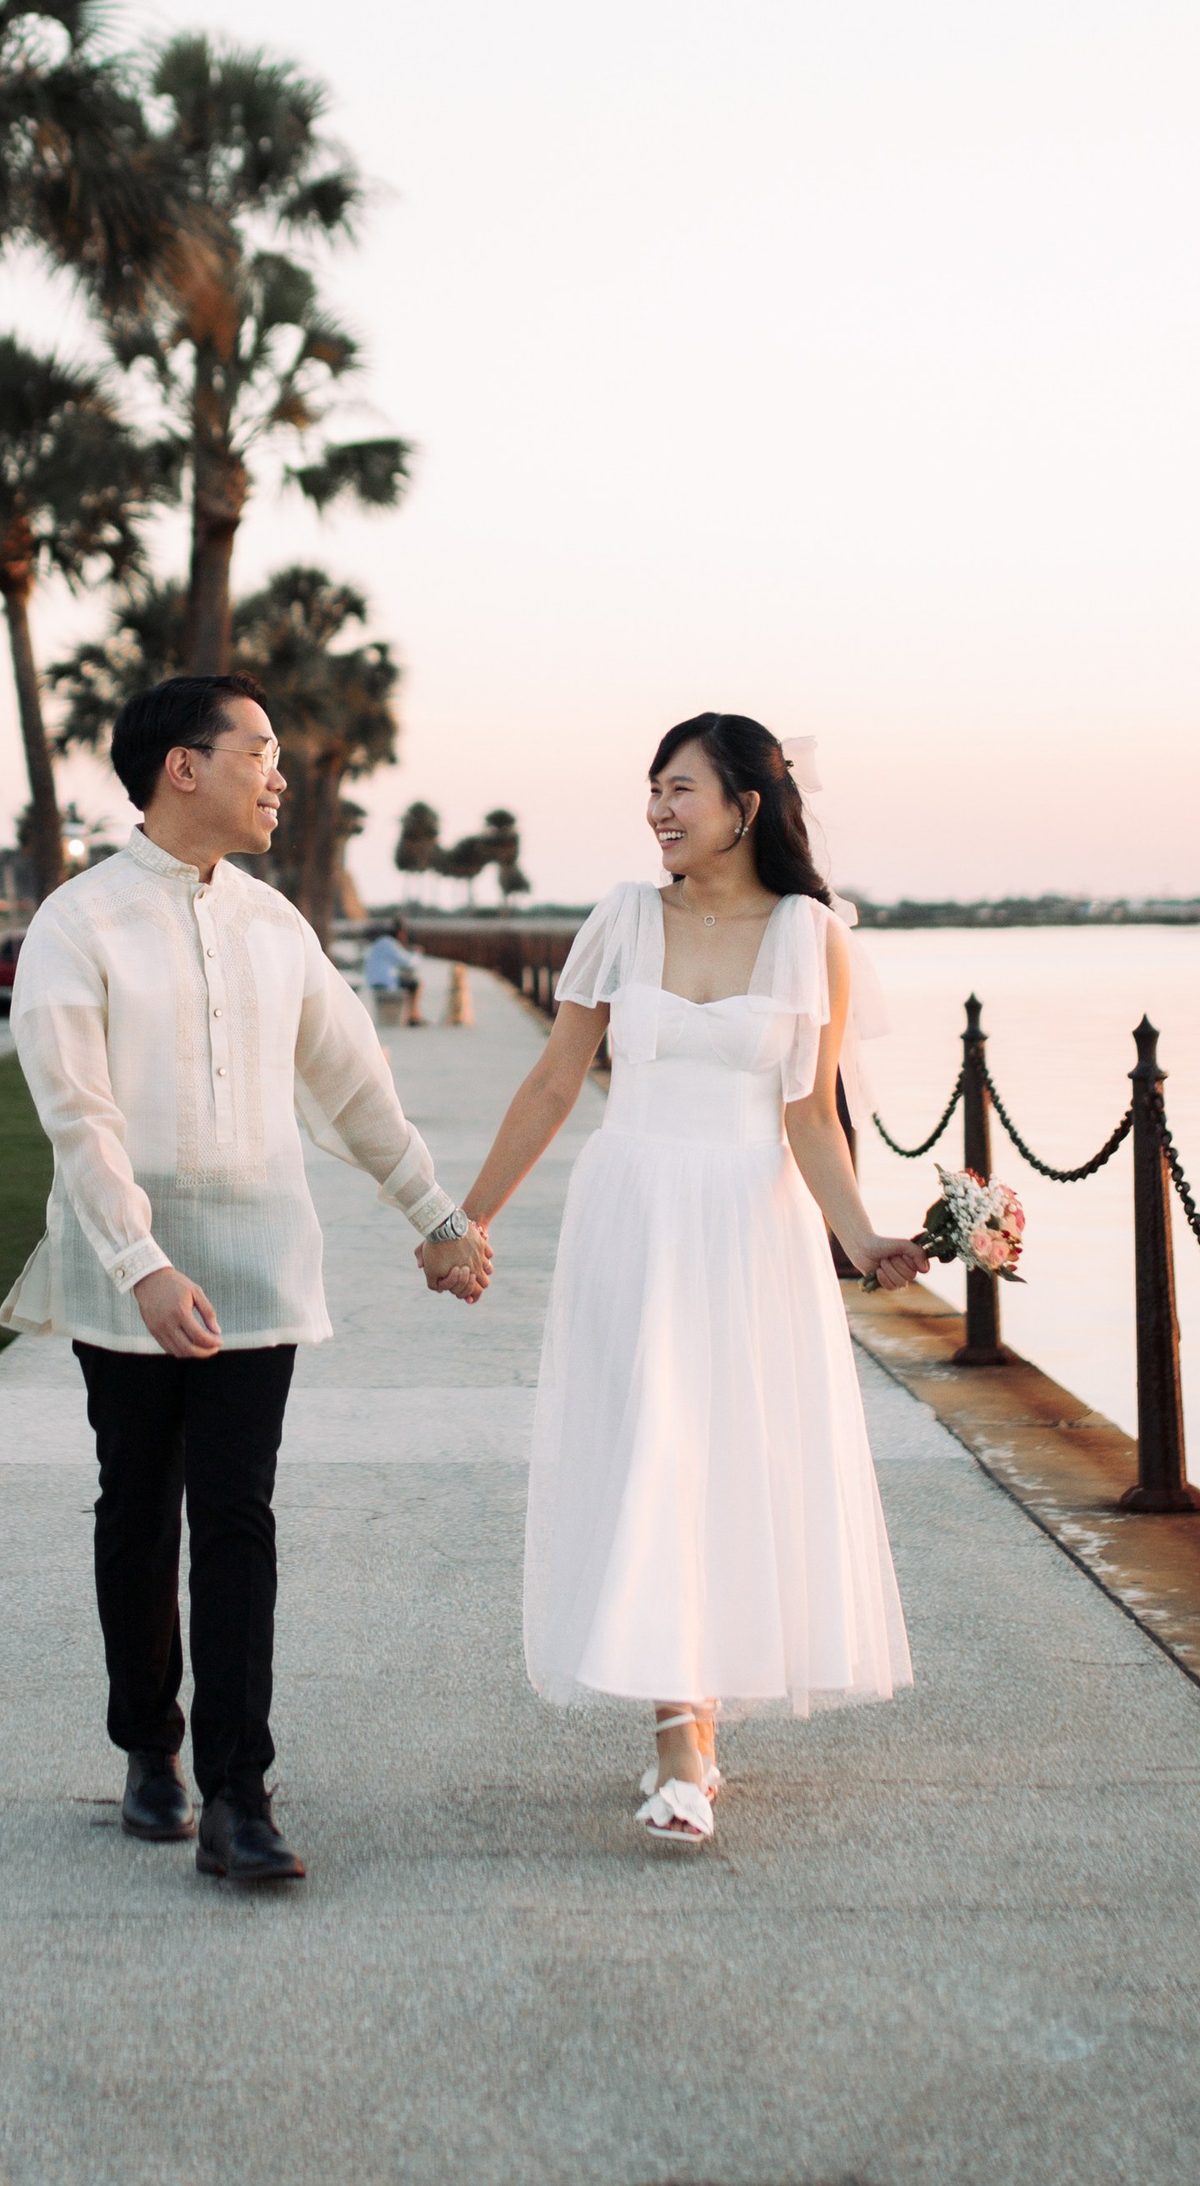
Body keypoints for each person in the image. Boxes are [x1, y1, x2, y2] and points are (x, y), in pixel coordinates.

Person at [1, 674, 492, 1887]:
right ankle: (147, 1745)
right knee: (137, 1503)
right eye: (259, 750)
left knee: (235, 1517)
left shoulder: (276, 923)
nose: (280, 774)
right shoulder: (80, 921)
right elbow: (79, 1116)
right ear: (183, 765)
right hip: (129, 1268)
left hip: (259, 1256)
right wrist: (141, 1261)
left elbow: (349, 1082)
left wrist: (435, 1212)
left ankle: (237, 1791)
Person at [452, 711, 932, 1847]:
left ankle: (701, 1716)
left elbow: (810, 1113)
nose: (659, 809)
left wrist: (861, 1238)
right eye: (653, 789)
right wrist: (467, 1214)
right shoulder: (621, 918)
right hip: (636, 1209)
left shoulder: (811, 933)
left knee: (729, 1458)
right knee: (651, 1448)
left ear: (745, 806)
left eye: (680, 788)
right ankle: (675, 1739)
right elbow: (555, 1081)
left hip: (753, 1220)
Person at [361, 919, 419, 1021]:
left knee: (408, 982)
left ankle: (412, 1015)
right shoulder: (390, 944)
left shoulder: (381, 942)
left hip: (374, 980)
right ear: (399, 932)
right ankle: (413, 1016)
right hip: (385, 982)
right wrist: (417, 953)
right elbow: (408, 962)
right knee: (415, 984)